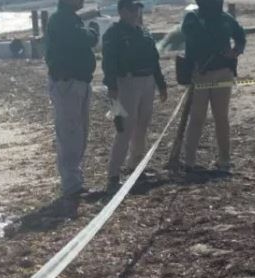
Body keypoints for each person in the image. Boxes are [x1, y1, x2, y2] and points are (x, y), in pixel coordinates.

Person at [102, 0, 168, 194]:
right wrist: (112, 88)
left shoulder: (143, 32)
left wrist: (161, 84)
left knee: (142, 126)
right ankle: (113, 175)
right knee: (124, 128)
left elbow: (154, 60)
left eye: (138, 8)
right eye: (131, 9)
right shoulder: (113, 34)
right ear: (122, 11)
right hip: (126, 83)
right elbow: (108, 63)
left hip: (147, 81)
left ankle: (135, 166)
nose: (135, 12)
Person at [181, 0, 246, 172]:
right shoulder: (193, 18)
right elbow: (190, 40)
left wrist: (235, 51)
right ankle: (189, 161)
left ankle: (224, 159)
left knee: (221, 118)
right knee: (197, 118)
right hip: (201, 74)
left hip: (223, 73)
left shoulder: (225, 18)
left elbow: (240, 36)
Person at [45, 0, 100, 200]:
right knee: (70, 133)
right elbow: (82, 39)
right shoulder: (61, 20)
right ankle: (71, 185)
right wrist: (93, 30)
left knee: (79, 133)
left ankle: (75, 181)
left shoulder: (69, 18)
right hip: (67, 82)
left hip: (78, 81)